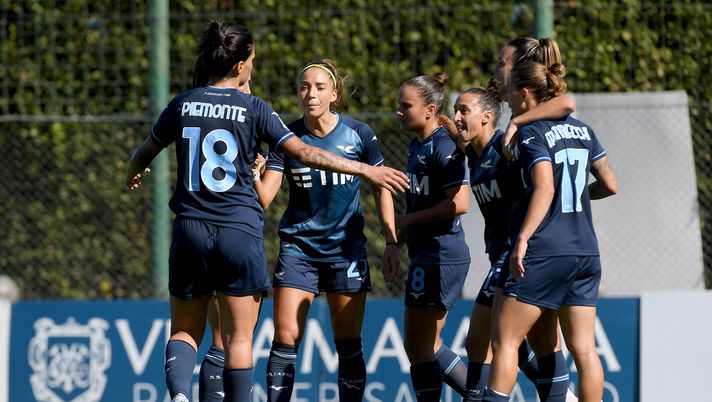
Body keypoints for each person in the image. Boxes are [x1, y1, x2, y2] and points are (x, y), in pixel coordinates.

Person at [125, 20, 409, 402]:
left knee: (184, 331)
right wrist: (364, 169)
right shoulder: (255, 108)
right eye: (253, 59)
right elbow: (306, 153)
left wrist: (133, 169)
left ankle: (178, 394)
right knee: (238, 337)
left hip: (190, 228)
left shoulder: (182, 104)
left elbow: (144, 151)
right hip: (239, 231)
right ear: (241, 64)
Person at [246, 58, 398, 402]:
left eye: (318, 87)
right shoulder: (286, 137)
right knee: (285, 337)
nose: (309, 94)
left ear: (334, 95)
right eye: (303, 87)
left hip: (346, 251)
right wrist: (255, 173)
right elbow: (266, 198)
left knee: (347, 343)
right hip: (298, 249)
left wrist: (391, 242)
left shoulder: (359, 134)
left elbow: (381, 185)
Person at [483, 61, 618, 402]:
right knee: (585, 350)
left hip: (546, 249)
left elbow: (544, 188)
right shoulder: (584, 130)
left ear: (525, 94)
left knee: (505, 342)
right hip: (586, 251)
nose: (508, 99)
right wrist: (575, 198)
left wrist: (524, 238)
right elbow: (610, 184)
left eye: (511, 92)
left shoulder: (532, 133)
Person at [395, 73, 471, 402]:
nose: (399, 111)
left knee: (420, 344)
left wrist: (408, 219)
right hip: (426, 253)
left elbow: (460, 203)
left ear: (428, 111)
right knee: (424, 344)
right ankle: (480, 395)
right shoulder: (418, 143)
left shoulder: (442, 146)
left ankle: (482, 395)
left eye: (405, 105)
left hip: (441, 254)